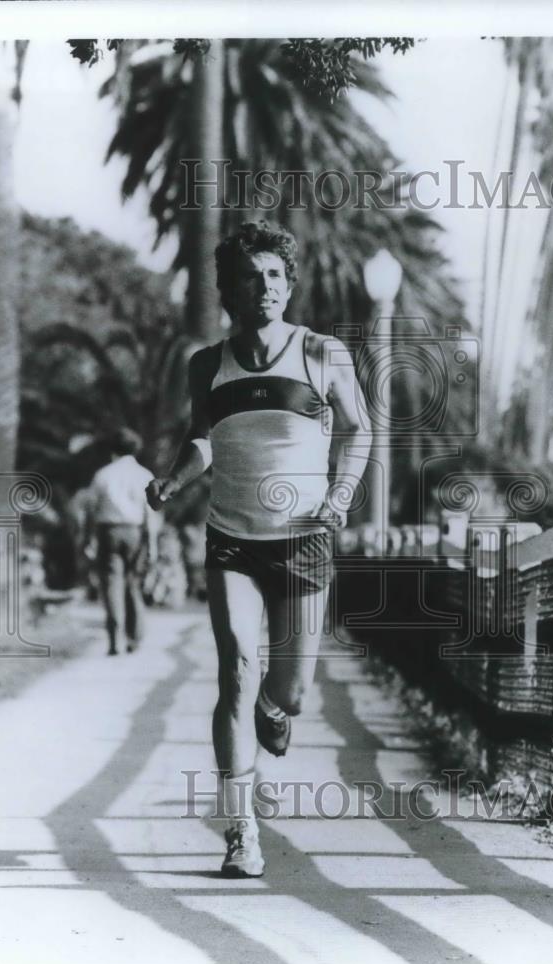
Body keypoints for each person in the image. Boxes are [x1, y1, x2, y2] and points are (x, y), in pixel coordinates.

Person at [146, 221, 370, 877]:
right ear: (229, 290)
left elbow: (357, 430)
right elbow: (203, 439)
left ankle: (275, 710)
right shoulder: (205, 364)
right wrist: (171, 480)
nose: (264, 286)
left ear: (289, 284)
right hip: (232, 541)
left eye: (274, 275)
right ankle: (240, 829)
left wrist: (339, 495)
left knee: (291, 692)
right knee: (236, 671)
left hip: (303, 538)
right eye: (250, 276)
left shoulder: (321, 353)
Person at [85, 428, 159, 655]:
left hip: (109, 532)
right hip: (135, 532)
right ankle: (134, 638)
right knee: (133, 584)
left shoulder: (103, 474)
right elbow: (151, 513)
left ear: (112, 450)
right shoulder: (144, 475)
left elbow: (91, 509)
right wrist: (153, 544)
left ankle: (115, 637)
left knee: (111, 584)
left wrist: (89, 539)